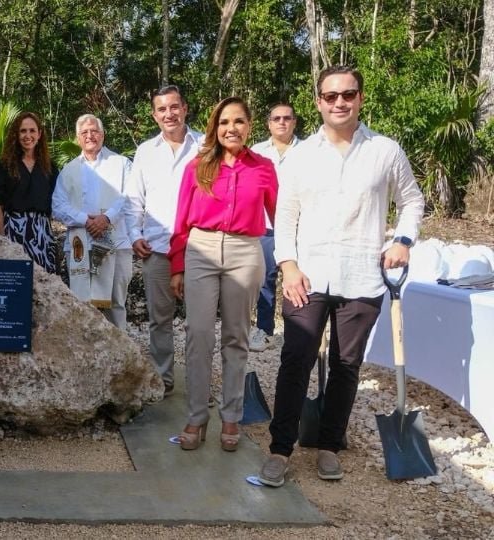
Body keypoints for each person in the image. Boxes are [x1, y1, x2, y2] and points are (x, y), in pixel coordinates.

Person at [258, 66, 424, 486]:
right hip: (307, 276)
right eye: (330, 96)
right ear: (318, 102)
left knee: (347, 364)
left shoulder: (385, 151)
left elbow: (412, 200)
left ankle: (330, 445)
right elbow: (286, 215)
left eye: (348, 94)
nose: (339, 102)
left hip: (362, 276)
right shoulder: (300, 155)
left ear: (360, 98)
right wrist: (288, 264)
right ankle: (280, 449)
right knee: (295, 358)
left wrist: (402, 240)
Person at [168, 97, 278, 451]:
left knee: (236, 335)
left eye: (239, 122)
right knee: (199, 335)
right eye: (224, 122)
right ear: (215, 128)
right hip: (200, 248)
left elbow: (282, 217)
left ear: (249, 127)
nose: (232, 128)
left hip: (246, 251)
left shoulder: (262, 168)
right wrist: (177, 265)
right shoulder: (197, 167)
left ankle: (231, 416)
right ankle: (197, 416)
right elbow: (181, 221)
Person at [126, 85, 204, 395]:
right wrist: (134, 235)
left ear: (185, 108)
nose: (168, 113)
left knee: (199, 323)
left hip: (200, 249)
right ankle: (163, 380)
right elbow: (134, 200)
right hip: (157, 248)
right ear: (154, 115)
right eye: (162, 109)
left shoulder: (206, 146)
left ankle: (199, 384)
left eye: (174, 107)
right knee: (160, 320)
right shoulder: (145, 151)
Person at [52, 114, 134, 329]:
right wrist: (84, 220)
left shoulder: (121, 164)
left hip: (116, 242)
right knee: (83, 302)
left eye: (94, 131)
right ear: (78, 138)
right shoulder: (68, 170)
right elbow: (57, 206)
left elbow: (130, 197)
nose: (90, 136)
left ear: (102, 135)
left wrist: (107, 218)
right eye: (84, 132)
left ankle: (120, 353)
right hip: (81, 244)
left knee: (116, 301)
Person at [248, 103, 300, 352]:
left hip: (299, 228)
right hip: (265, 228)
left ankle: (297, 334)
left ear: (294, 122)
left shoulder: (308, 152)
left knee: (297, 281)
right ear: (268, 123)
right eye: (276, 118)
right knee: (265, 282)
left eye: (287, 118)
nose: (282, 122)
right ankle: (264, 332)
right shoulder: (257, 152)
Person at [0, 111, 59, 274]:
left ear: (40, 134)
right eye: (23, 131)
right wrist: (2, 241)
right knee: (15, 283)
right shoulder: (3, 166)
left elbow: (53, 204)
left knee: (43, 285)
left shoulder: (50, 167)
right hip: (13, 232)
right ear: (16, 134)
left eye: (32, 130)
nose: (28, 135)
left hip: (42, 234)